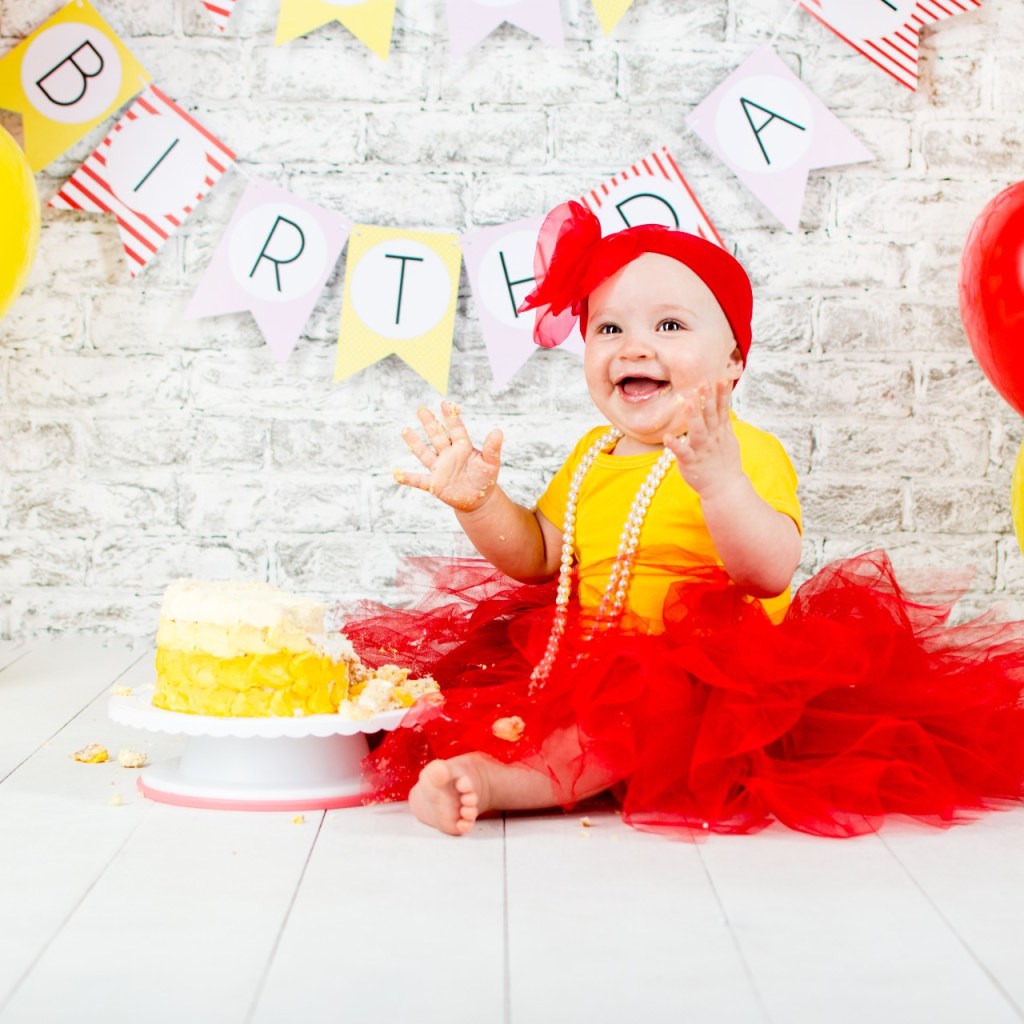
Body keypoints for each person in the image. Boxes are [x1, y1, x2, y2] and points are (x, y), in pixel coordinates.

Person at [345, 201, 1024, 840]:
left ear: (733, 361)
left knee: (634, 714)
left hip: (712, 690)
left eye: (669, 326)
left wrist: (720, 483)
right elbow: (538, 556)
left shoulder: (744, 451)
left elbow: (769, 573)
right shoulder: (593, 454)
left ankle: (502, 783)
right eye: (609, 328)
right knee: (483, 707)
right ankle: (500, 757)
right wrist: (480, 503)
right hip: (583, 664)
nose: (635, 347)